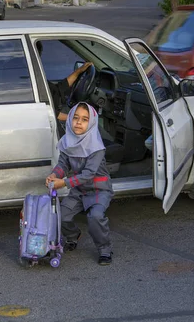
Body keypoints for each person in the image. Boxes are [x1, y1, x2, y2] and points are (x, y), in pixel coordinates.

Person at [45, 102, 114, 265]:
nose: (78, 122)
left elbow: (89, 174)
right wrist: (54, 174)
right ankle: (72, 236)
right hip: (79, 189)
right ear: (69, 119)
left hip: (99, 189)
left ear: (91, 123)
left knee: (95, 217)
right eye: (75, 118)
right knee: (61, 215)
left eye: (84, 119)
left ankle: (104, 249)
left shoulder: (96, 147)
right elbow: (63, 164)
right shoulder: (67, 141)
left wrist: (63, 183)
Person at [36, 41, 92, 122]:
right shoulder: (24, 75)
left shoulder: (31, 72)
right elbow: (45, 111)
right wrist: (76, 119)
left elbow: (58, 89)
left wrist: (79, 71)